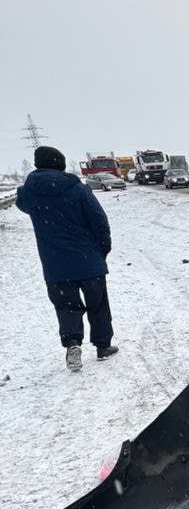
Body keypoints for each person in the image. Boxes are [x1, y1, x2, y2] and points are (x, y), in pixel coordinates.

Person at [16, 145, 119, 372]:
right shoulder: (78, 189)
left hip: (56, 265)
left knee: (66, 307)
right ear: (61, 165)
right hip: (89, 260)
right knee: (98, 304)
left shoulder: (29, 193)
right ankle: (103, 345)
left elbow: (20, 201)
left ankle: (72, 344)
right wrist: (102, 250)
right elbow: (99, 221)